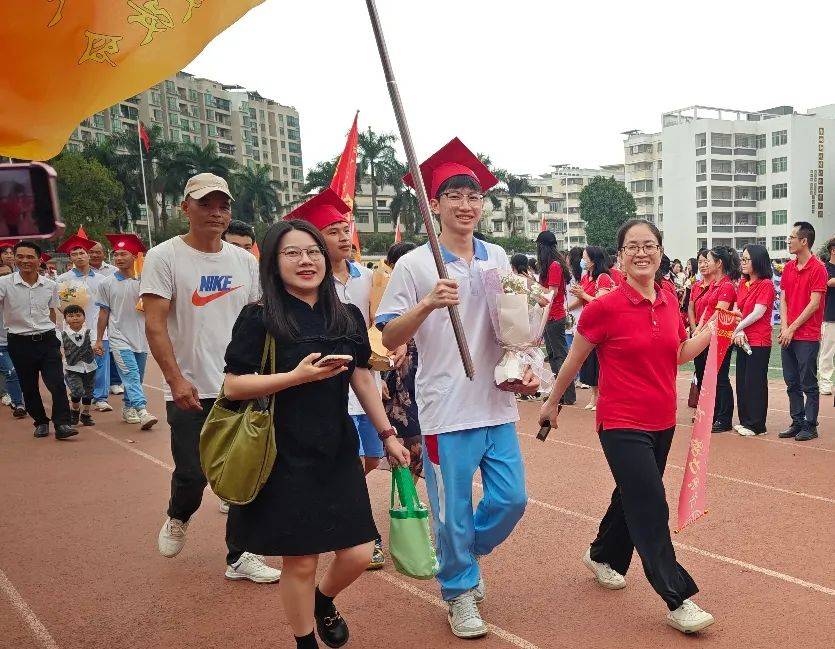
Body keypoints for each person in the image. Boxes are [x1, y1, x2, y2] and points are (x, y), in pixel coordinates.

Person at [376, 138, 538, 639]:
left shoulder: (498, 256)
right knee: (451, 510)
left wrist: (529, 349)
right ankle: (460, 591)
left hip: (496, 399)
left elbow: (514, 321)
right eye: (455, 196)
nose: (467, 205)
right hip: (446, 407)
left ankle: (464, 555)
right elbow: (388, 335)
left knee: (511, 499)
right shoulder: (416, 265)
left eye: (474, 196)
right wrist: (426, 304)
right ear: (436, 204)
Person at [223, 220, 410, 649]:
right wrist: (294, 377)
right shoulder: (259, 317)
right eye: (292, 253)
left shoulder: (345, 315)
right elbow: (234, 385)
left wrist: (387, 434)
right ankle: (304, 640)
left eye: (312, 252)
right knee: (301, 561)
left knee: (359, 553)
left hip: (335, 446)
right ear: (273, 261)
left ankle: (323, 601)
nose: (305, 261)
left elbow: (361, 376)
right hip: (282, 451)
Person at [539, 218, 716, 635]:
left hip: (662, 420)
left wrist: (711, 331)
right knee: (651, 504)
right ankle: (677, 597)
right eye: (633, 246)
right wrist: (551, 403)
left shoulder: (670, 298)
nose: (641, 252)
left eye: (649, 245)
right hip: (620, 421)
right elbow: (575, 359)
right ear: (620, 254)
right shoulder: (605, 306)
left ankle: (602, 554)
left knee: (632, 494)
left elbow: (678, 354)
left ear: (660, 251)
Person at [141, 172, 279, 582]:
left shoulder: (245, 262)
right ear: (186, 208)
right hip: (190, 387)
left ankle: (240, 555)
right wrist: (175, 379)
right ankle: (179, 514)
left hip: (240, 384)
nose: (216, 213)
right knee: (192, 472)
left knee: (245, 470)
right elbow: (155, 325)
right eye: (206, 204)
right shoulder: (163, 257)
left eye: (224, 206)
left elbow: (261, 320)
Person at [283, 188, 390, 569]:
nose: (345, 237)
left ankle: (336, 503)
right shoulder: (307, 284)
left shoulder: (367, 277)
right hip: (325, 391)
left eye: (346, 229)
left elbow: (375, 325)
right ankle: (364, 533)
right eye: (333, 231)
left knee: (373, 459)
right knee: (351, 458)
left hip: (364, 385)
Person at [0, 242, 77, 439]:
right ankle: (41, 421)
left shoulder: (50, 285)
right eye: (20, 256)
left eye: (29, 257)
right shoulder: (4, 284)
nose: (24, 261)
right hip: (19, 342)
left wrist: (58, 335)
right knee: (28, 385)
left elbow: (52, 311)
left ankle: (62, 424)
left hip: (47, 340)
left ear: (39, 259)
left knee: (57, 382)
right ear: (15, 259)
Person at [94, 234, 158, 430]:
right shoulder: (106, 283)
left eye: (123, 254)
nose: (118, 258)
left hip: (142, 336)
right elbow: (104, 313)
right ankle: (142, 410)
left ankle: (129, 407)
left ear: (135, 256)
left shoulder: (146, 279)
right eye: (116, 254)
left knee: (137, 376)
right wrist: (99, 339)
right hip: (119, 337)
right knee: (130, 375)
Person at [778, 222, 828, 441]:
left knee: (808, 382)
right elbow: (784, 298)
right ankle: (797, 421)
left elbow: (814, 304)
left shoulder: (818, 268)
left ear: (804, 241)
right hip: (789, 332)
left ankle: (810, 424)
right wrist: (784, 327)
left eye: (792, 237)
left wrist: (792, 328)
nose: (788, 241)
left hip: (807, 335)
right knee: (791, 381)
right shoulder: (789, 267)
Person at [56, 235, 112, 413]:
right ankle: (76, 391)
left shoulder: (102, 279)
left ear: (88, 255)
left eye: (82, 253)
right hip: (73, 330)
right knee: (72, 362)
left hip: (98, 328)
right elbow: (58, 304)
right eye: (75, 254)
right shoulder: (63, 279)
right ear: (70, 258)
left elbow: (106, 304)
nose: (79, 256)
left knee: (100, 363)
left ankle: (100, 398)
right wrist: (71, 318)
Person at [380, 241, 423, 478]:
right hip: (395, 377)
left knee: (421, 441)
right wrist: (379, 378)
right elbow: (376, 338)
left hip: (422, 374)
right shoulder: (384, 297)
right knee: (406, 437)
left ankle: (411, 499)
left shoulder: (427, 293)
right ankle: (407, 499)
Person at [694, 246, 740, 433]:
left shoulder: (727, 286)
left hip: (720, 337)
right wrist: (698, 329)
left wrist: (703, 331)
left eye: (709, 260)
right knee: (708, 377)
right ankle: (712, 413)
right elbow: (706, 309)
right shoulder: (714, 284)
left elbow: (719, 313)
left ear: (719, 263)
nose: (705, 263)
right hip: (707, 336)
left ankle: (724, 417)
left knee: (720, 377)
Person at [733, 244, 775, 436]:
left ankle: (757, 424)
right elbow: (737, 308)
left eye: (746, 259)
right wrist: (739, 330)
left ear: (757, 261)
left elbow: (759, 312)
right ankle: (745, 420)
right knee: (742, 380)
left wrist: (738, 327)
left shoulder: (766, 284)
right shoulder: (743, 283)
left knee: (755, 382)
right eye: (742, 259)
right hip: (742, 339)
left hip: (758, 341)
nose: (743, 262)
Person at [569, 245, 614, 410]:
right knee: (590, 363)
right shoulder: (585, 277)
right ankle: (594, 396)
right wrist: (565, 308)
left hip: (601, 325)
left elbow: (600, 302)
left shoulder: (603, 277)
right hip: (588, 324)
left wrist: (582, 295)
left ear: (593, 260)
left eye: (585, 257)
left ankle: (602, 396)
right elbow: (581, 301)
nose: (582, 260)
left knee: (599, 362)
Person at [536, 230, 574, 405]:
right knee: (553, 356)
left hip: (554, 316)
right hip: (550, 316)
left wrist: (534, 288)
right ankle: (561, 393)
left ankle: (567, 394)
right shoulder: (552, 265)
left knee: (559, 356)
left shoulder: (554, 266)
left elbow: (552, 293)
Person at [61, 304, 97, 427]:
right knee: (77, 391)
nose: (75, 318)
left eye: (78, 315)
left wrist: (96, 348)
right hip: (72, 368)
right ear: (65, 319)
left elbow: (94, 344)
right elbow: (56, 347)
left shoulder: (90, 332)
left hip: (90, 367)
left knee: (89, 392)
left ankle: (86, 414)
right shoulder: (62, 334)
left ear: (84, 317)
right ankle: (75, 410)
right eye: (71, 316)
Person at [0, 263, 25, 418]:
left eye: (7, 274)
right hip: (1, 344)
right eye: (0, 275)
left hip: (20, 340)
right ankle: (18, 403)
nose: (4, 278)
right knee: (12, 372)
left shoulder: (19, 294)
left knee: (23, 373)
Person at [817, 236, 835, 396]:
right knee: (827, 352)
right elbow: (829, 282)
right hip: (830, 316)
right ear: (833, 250)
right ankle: (825, 383)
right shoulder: (825, 268)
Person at [565, 247, 585, 388]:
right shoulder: (568, 275)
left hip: (577, 313)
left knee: (577, 347)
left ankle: (581, 377)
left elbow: (580, 299)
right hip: (570, 313)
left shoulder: (581, 276)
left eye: (568, 257)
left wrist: (567, 308)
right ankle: (575, 376)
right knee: (569, 346)